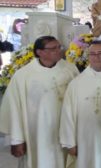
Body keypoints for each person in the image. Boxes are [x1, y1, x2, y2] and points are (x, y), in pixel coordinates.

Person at [0, 36, 79, 168]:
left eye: (59, 47)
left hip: (66, 130)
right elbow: (14, 108)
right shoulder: (23, 76)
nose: (59, 50)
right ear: (39, 52)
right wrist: (16, 140)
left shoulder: (70, 70)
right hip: (36, 133)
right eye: (53, 48)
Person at [60, 40, 101, 168]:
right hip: (85, 139)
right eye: (92, 54)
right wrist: (70, 143)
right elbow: (67, 114)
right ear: (88, 56)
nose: (97, 57)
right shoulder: (77, 83)